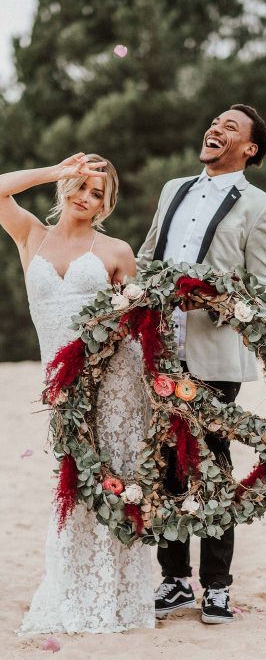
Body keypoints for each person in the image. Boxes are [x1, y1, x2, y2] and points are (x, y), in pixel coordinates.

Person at [137, 104, 266, 624]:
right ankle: (174, 581)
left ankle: (217, 586)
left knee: (210, 462)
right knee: (166, 463)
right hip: (159, 348)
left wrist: (211, 299)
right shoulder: (172, 189)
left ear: (250, 149)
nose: (216, 129)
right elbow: (147, 257)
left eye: (231, 128)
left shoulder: (264, 207)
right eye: (215, 122)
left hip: (215, 354)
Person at [0, 153, 155, 634]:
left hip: (117, 384)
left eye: (96, 194)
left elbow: (142, 327)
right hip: (63, 385)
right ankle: (74, 586)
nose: (84, 198)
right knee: (74, 481)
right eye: (80, 186)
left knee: (115, 478)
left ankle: (119, 596)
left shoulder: (116, 251)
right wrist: (54, 171)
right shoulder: (31, 236)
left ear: (105, 205)